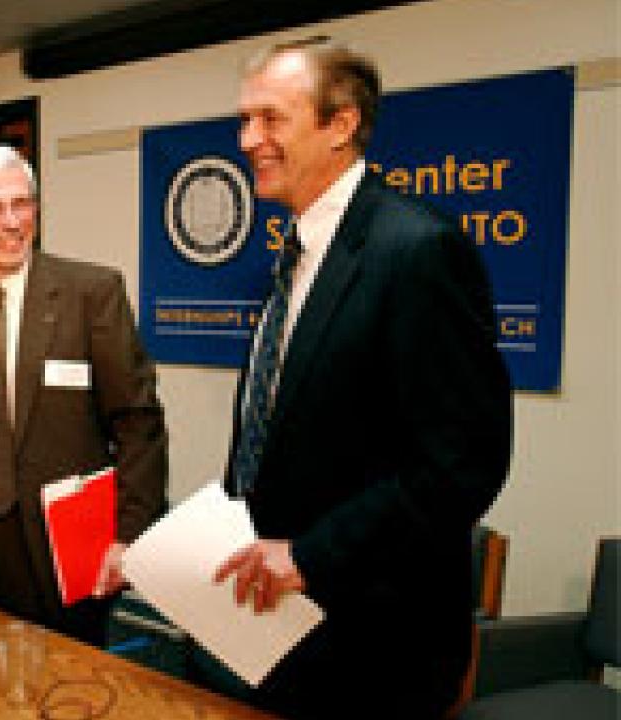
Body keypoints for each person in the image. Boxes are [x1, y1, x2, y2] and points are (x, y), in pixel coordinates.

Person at [212, 38, 512, 719]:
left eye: (270, 118)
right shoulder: (294, 257)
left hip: (376, 645)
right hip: (279, 627)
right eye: (244, 120)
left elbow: (460, 464)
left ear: (340, 125)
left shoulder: (417, 249)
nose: (247, 139)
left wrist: (312, 555)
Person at [0, 145, 168, 645]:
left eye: (21, 204)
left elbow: (138, 425)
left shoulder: (91, 293)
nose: (11, 222)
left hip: (70, 550)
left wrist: (130, 536)